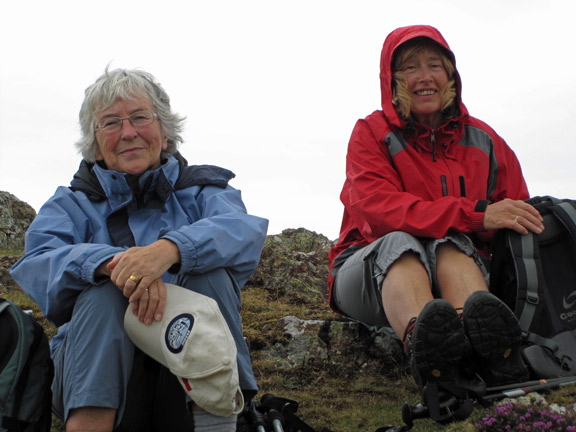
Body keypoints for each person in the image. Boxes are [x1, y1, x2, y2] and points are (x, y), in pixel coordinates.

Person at [10, 68, 268, 432]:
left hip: (192, 368)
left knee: (210, 274)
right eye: (111, 123)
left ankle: (216, 422)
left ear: (164, 133)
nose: (128, 132)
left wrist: (169, 250)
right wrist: (112, 264)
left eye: (140, 117)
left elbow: (242, 230)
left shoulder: (204, 190)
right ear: (96, 143)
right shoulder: (70, 204)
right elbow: (37, 262)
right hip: (99, 368)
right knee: (102, 297)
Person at [328, 25, 545, 397]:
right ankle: (432, 356)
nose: (425, 77)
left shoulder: (487, 141)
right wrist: (476, 215)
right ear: (393, 80)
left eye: (435, 65)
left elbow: (516, 216)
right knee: (400, 240)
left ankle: (486, 354)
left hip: (458, 268)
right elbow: (379, 212)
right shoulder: (371, 133)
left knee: (449, 243)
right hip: (369, 274)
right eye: (411, 68)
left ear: (451, 76)